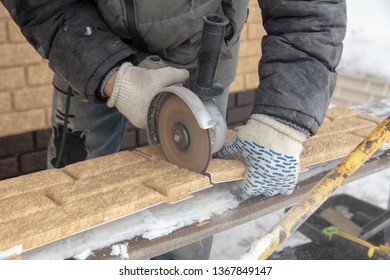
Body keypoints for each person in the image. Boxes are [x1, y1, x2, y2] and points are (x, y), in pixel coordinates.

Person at [1, 0, 346, 259]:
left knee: (193, 208)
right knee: (67, 194)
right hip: (84, 47)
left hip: (200, 61)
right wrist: (112, 78)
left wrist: (283, 123)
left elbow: (309, 13)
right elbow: (43, 4)